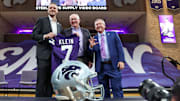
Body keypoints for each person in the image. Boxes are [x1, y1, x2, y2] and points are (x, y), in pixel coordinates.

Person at [32, 3, 63, 97]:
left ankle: (48, 98)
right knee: (42, 80)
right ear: (48, 10)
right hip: (43, 56)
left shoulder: (59, 26)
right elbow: (34, 35)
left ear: (57, 11)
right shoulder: (41, 20)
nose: (52, 9)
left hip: (55, 57)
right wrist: (45, 36)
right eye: (51, 8)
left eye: (54, 8)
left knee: (51, 80)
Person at [89, 18, 125, 99]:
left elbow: (119, 48)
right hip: (101, 68)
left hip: (113, 66)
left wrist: (121, 61)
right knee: (104, 91)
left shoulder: (113, 34)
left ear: (104, 26)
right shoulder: (94, 38)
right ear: (95, 28)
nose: (99, 26)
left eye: (100, 24)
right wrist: (91, 47)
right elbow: (91, 53)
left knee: (117, 89)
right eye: (97, 25)